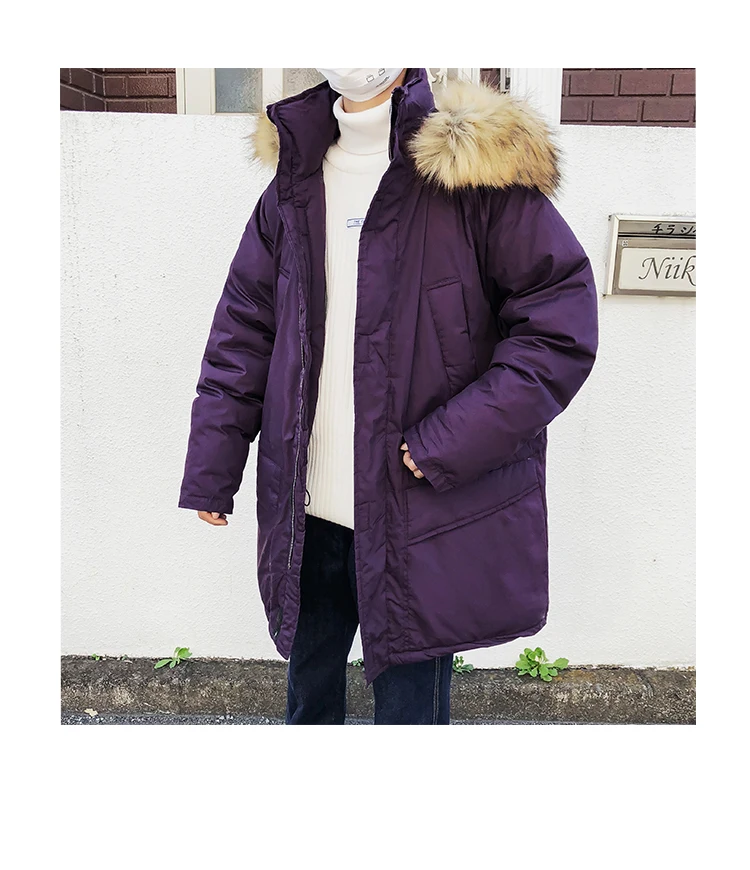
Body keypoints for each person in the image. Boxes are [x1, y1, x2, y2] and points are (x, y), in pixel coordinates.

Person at [178, 67, 599, 725]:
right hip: (307, 510)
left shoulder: (471, 173)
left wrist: (446, 442)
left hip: (418, 511)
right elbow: (245, 330)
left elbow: (557, 331)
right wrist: (213, 464)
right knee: (309, 703)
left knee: (409, 716)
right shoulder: (295, 181)